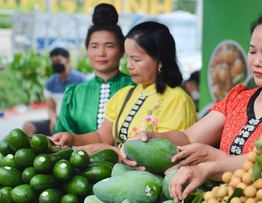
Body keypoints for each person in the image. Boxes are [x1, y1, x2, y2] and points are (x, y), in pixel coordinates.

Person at [120, 2, 262, 199]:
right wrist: (150, 137)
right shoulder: (238, 99)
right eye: (252, 51)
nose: (256, 61)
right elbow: (189, 136)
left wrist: (212, 161)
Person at [52, 21, 197, 157]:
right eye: (128, 58)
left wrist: (114, 153)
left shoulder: (177, 100)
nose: (129, 65)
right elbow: (103, 136)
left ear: (160, 60)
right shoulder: (125, 94)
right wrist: (72, 139)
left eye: (136, 59)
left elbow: (167, 153)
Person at [53, 3, 132, 135]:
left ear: (122, 50)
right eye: (94, 46)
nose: (101, 53)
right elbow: (61, 136)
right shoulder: (74, 94)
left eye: (109, 46)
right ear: (87, 50)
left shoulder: (136, 88)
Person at [22, 47, 86, 136]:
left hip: (76, 122)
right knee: (28, 127)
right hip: (58, 120)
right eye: (53, 61)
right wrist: (54, 122)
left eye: (58, 60)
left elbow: (84, 106)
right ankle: (33, 149)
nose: (55, 63)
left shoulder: (80, 80)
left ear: (67, 62)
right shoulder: (50, 83)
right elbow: (51, 108)